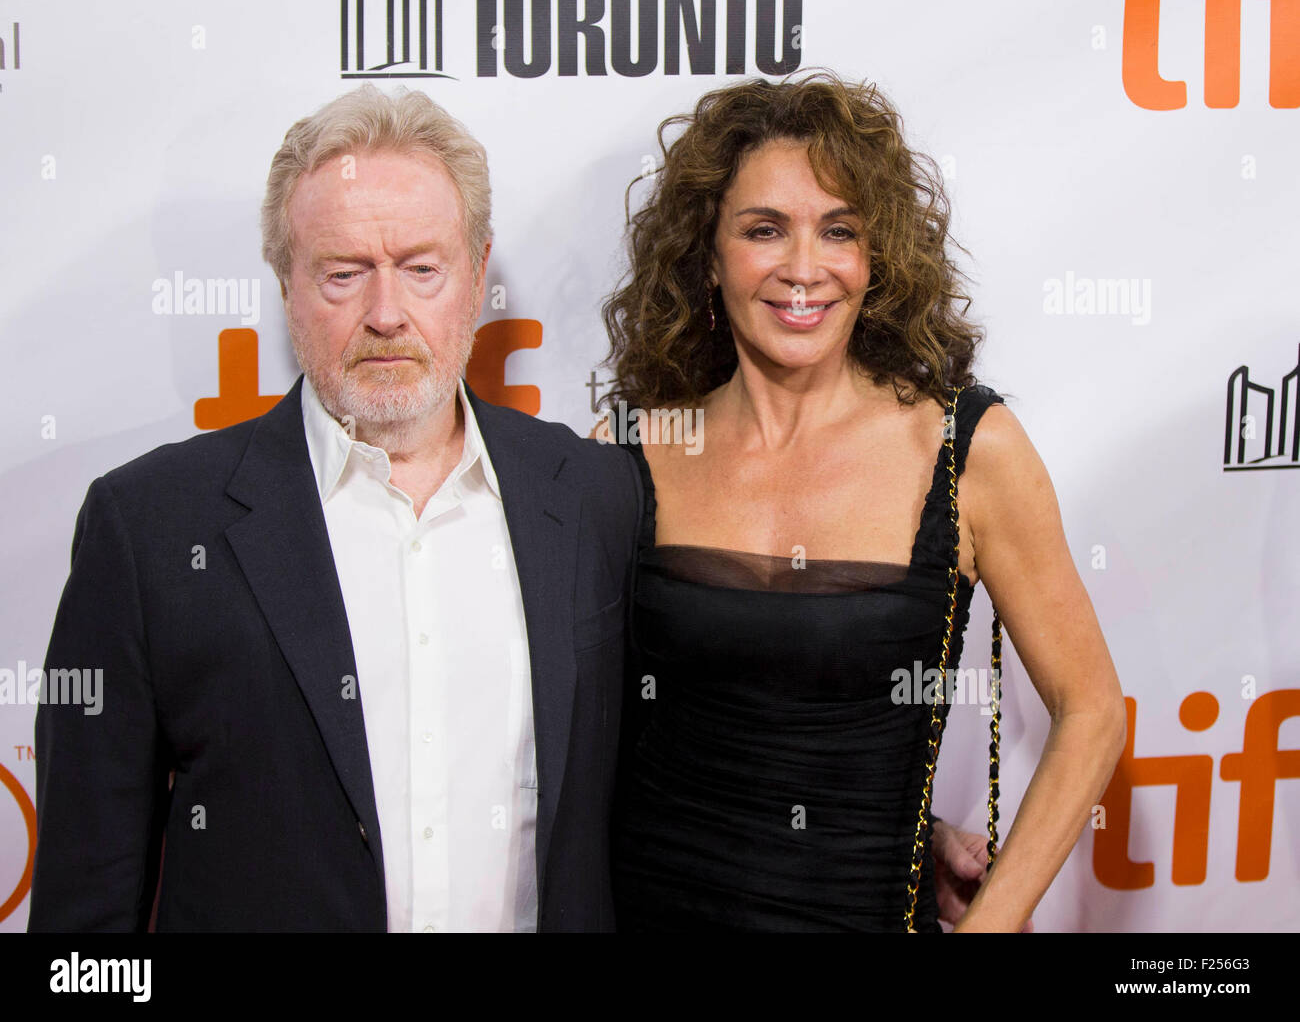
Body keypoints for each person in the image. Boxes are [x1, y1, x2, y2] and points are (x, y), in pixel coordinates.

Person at [27, 85, 641, 932]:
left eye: (421, 268)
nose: (386, 314)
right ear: (287, 286)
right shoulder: (150, 529)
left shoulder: (593, 494)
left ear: (476, 271)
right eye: (343, 273)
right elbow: (84, 905)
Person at [594, 70, 1127, 932]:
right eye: (764, 230)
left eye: (837, 231)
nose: (804, 269)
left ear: (876, 257)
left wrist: (989, 922)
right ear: (708, 252)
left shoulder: (964, 451)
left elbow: (1092, 709)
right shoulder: (631, 447)